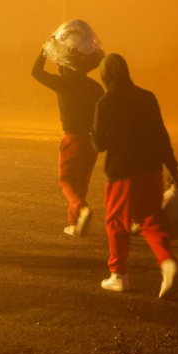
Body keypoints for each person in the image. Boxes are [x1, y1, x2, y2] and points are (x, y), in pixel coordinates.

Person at [91, 54, 178, 298]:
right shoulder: (147, 97)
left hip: (123, 173)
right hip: (152, 170)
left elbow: (99, 144)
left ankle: (118, 275)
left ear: (105, 75)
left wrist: (93, 132)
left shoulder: (106, 102)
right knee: (151, 220)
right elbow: (162, 136)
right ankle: (166, 262)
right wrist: (174, 170)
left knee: (116, 223)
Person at [32, 49, 104, 236]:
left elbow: (36, 72)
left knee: (67, 181)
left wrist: (44, 52)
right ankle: (74, 224)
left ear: (66, 67)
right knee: (81, 182)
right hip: (92, 140)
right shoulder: (96, 87)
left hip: (73, 139)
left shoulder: (63, 84)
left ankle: (82, 208)